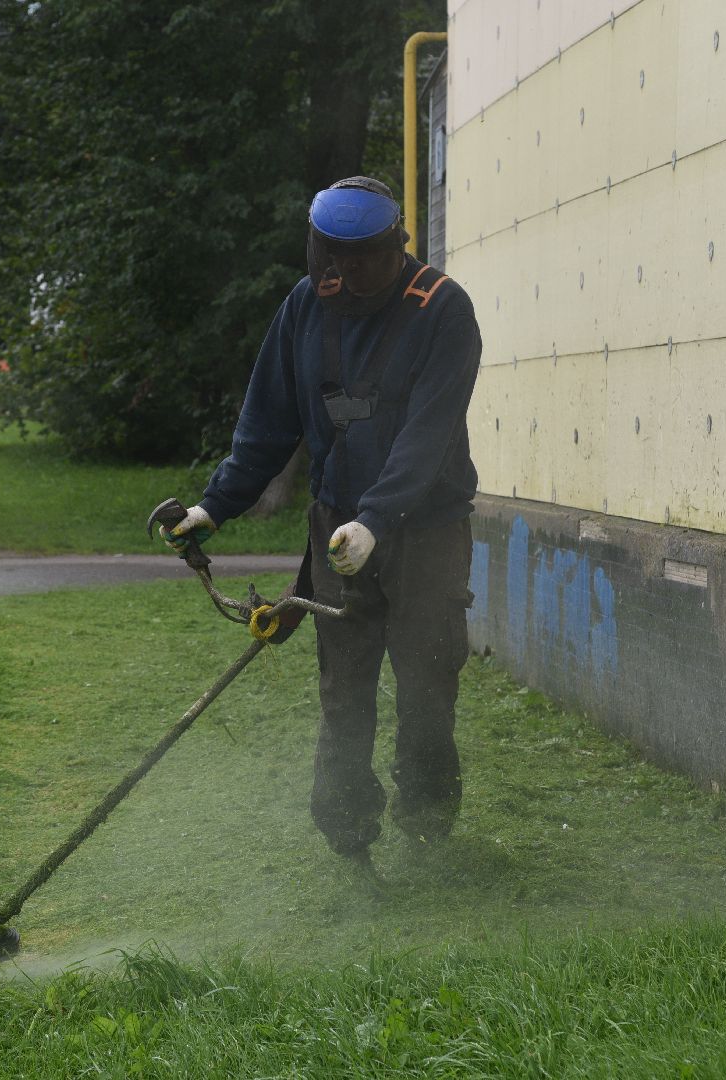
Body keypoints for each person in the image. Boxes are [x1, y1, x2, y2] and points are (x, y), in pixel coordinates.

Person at [160, 176, 483, 866]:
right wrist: (214, 505)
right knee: (344, 690)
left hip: (423, 529)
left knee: (427, 684)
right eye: (334, 256)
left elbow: (429, 434)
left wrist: (378, 519)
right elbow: (267, 421)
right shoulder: (307, 305)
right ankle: (348, 835)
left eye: (366, 255)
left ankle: (427, 828)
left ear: (396, 241)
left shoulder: (443, 310)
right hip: (336, 527)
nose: (350, 271)